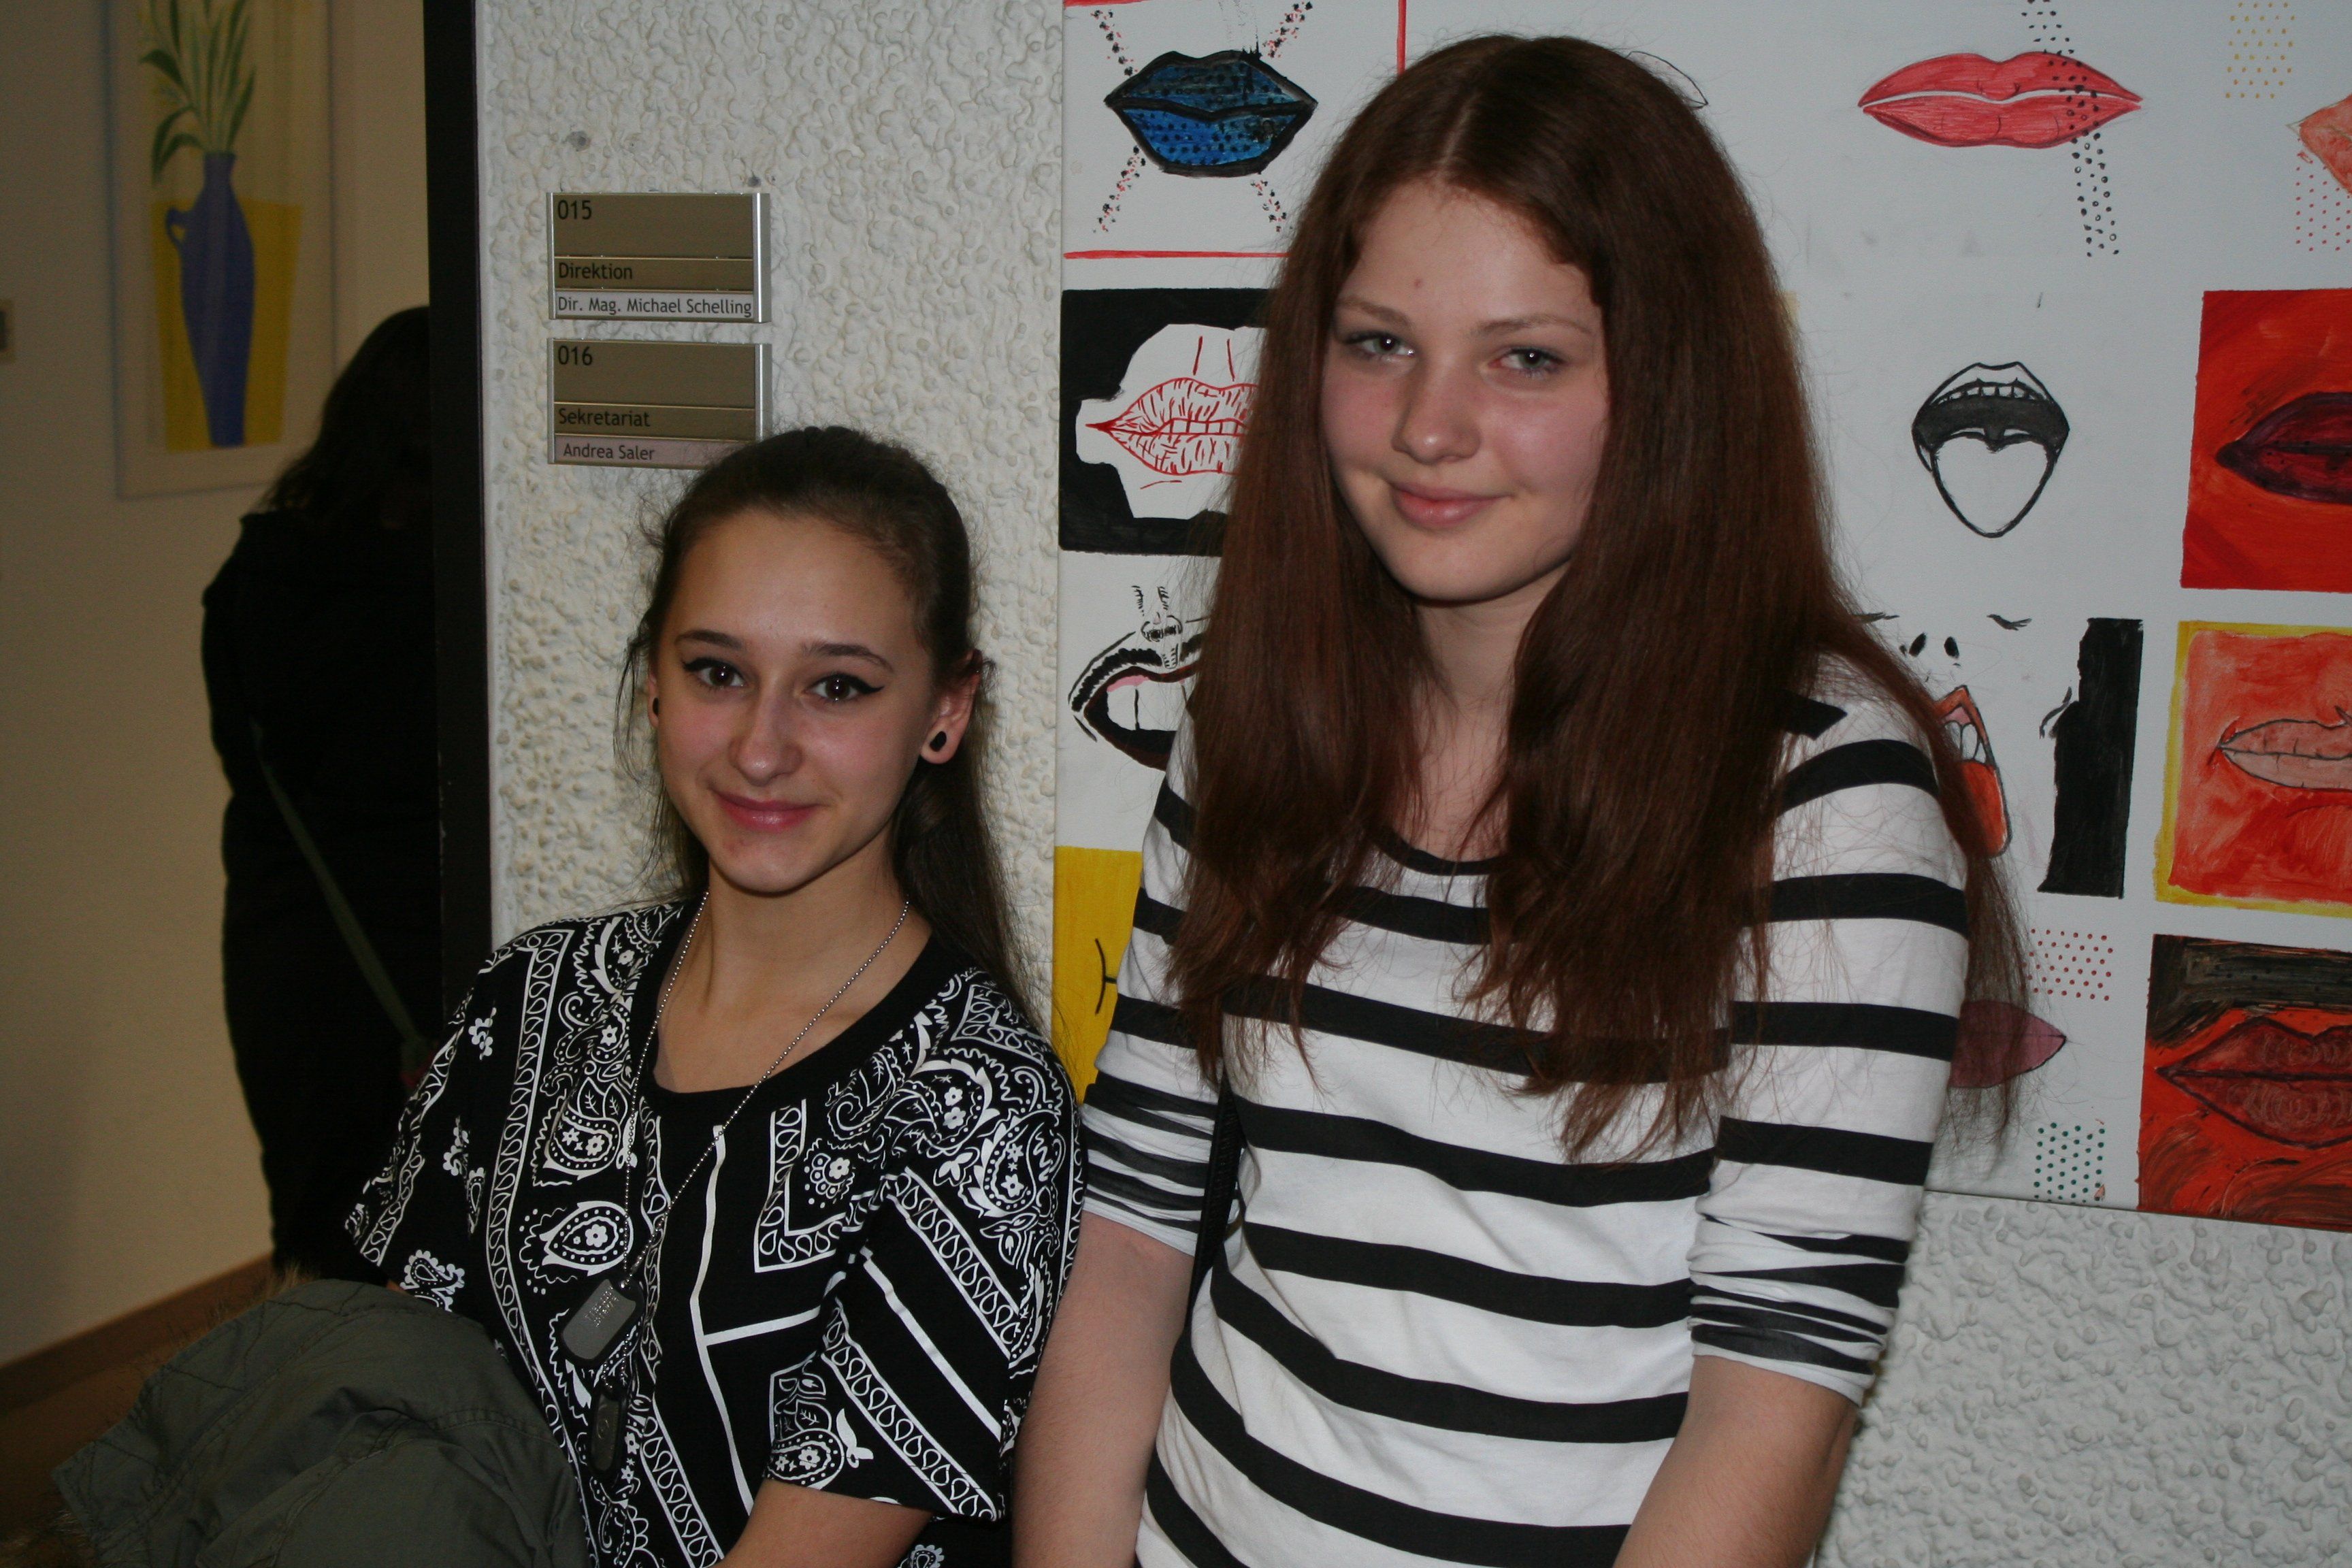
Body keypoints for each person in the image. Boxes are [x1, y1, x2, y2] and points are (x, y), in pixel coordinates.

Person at [1015, 36, 2021, 1568]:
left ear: (1665, 386)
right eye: (1379, 343)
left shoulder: (1830, 799)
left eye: (1526, 358)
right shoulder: (1261, 711)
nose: (1430, 425)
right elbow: (1137, 1229)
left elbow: (1779, 1401)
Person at [350, 428, 1083, 1567]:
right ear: (653, 681)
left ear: (946, 709)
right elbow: (385, 1404)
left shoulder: (978, 1106)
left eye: (836, 687)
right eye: (719, 672)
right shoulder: (527, 1000)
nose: (760, 747)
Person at [202, 305, 439, 1282]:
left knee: (320, 1233)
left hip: (289, 948)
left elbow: (244, 758)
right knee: (441, 1247)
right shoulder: (454, 591)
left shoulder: (253, 578)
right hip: (428, 957)